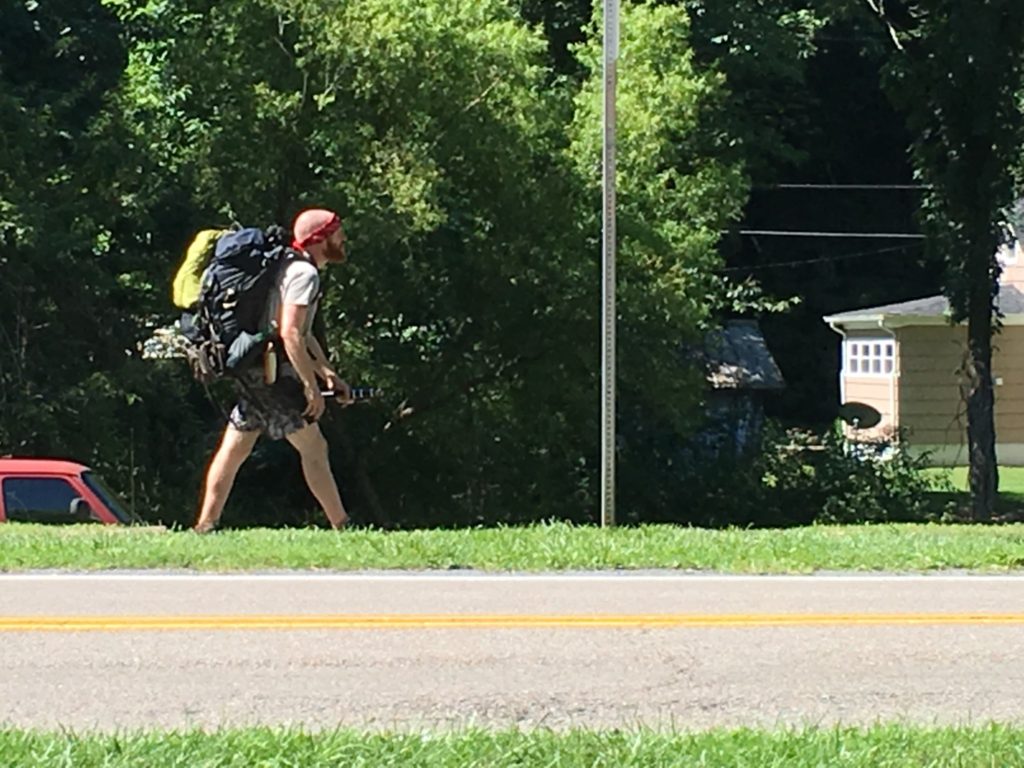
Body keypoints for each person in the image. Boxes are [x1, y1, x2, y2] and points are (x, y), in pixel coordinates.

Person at [192, 208, 353, 533]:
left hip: (254, 367)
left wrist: (327, 373)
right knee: (314, 446)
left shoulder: (287, 264)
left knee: (235, 446)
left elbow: (304, 334)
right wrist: (309, 386)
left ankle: (205, 525)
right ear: (320, 238)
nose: (343, 238)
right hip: (272, 373)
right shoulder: (304, 275)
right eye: (337, 233)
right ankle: (343, 525)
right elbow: (290, 332)